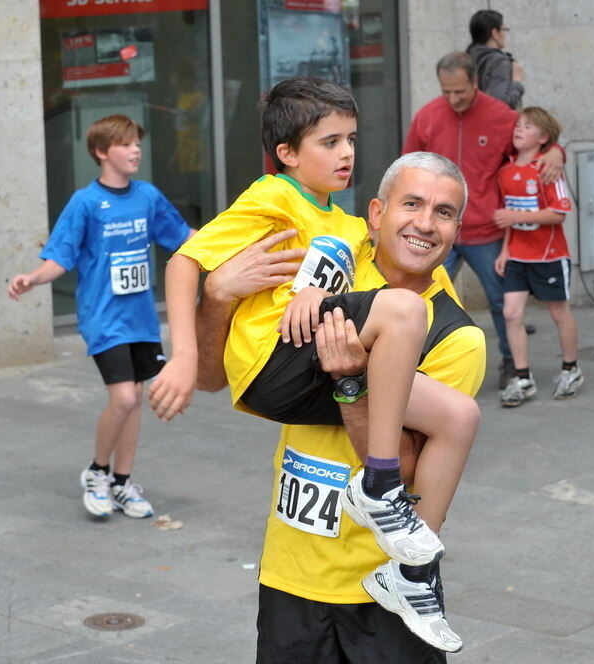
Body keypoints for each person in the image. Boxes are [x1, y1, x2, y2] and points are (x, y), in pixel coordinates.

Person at [151, 78, 479, 573]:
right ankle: (382, 486)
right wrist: (185, 354)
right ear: (286, 152)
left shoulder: (345, 225)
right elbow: (184, 261)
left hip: (309, 382)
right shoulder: (276, 196)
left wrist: (320, 294)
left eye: (350, 139)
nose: (346, 153)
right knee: (401, 309)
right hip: (276, 365)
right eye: (330, 142)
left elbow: (335, 271)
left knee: (459, 417)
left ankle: (414, 569)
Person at [196, 153, 484, 659]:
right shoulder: (330, 264)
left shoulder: (456, 337)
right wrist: (218, 295)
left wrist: (351, 384)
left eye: (444, 212)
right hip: (290, 576)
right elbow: (211, 378)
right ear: (375, 213)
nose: (424, 223)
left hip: (376, 596)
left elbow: (411, 469)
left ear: (457, 230)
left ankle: (414, 575)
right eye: (411, 204)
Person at [8, 114, 194, 519]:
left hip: (142, 318)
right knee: (123, 397)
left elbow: (187, 239)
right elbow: (61, 256)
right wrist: (33, 279)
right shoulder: (86, 203)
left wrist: (235, 248)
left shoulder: (147, 196)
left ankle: (122, 483)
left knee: (136, 400)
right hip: (103, 319)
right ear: (100, 151)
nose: (135, 150)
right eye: (125, 143)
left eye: (137, 143)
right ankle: (97, 471)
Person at [403, 52, 563, 389]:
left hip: (484, 230)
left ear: (475, 82)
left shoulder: (502, 117)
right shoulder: (427, 117)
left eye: (460, 91)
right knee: (414, 298)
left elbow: (537, 141)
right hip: (434, 229)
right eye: (446, 92)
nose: (453, 99)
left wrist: (556, 153)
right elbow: (408, 165)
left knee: (500, 301)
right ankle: (414, 367)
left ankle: (511, 364)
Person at [492, 107, 580, 406]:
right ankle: (522, 377)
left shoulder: (548, 168)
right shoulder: (505, 171)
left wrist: (516, 214)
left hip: (549, 256)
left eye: (527, 126)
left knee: (558, 313)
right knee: (511, 313)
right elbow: (509, 221)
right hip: (517, 255)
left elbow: (560, 213)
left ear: (543, 137)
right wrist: (505, 250)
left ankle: (571, 369)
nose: (518, 129)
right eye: (518, 124)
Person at [466, 9, 524, 109]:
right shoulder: (499, 62)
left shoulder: (465, 58)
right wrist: (516, 81)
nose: (505, 34)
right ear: (495, 33)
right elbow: (500, 107)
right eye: (504, 30)